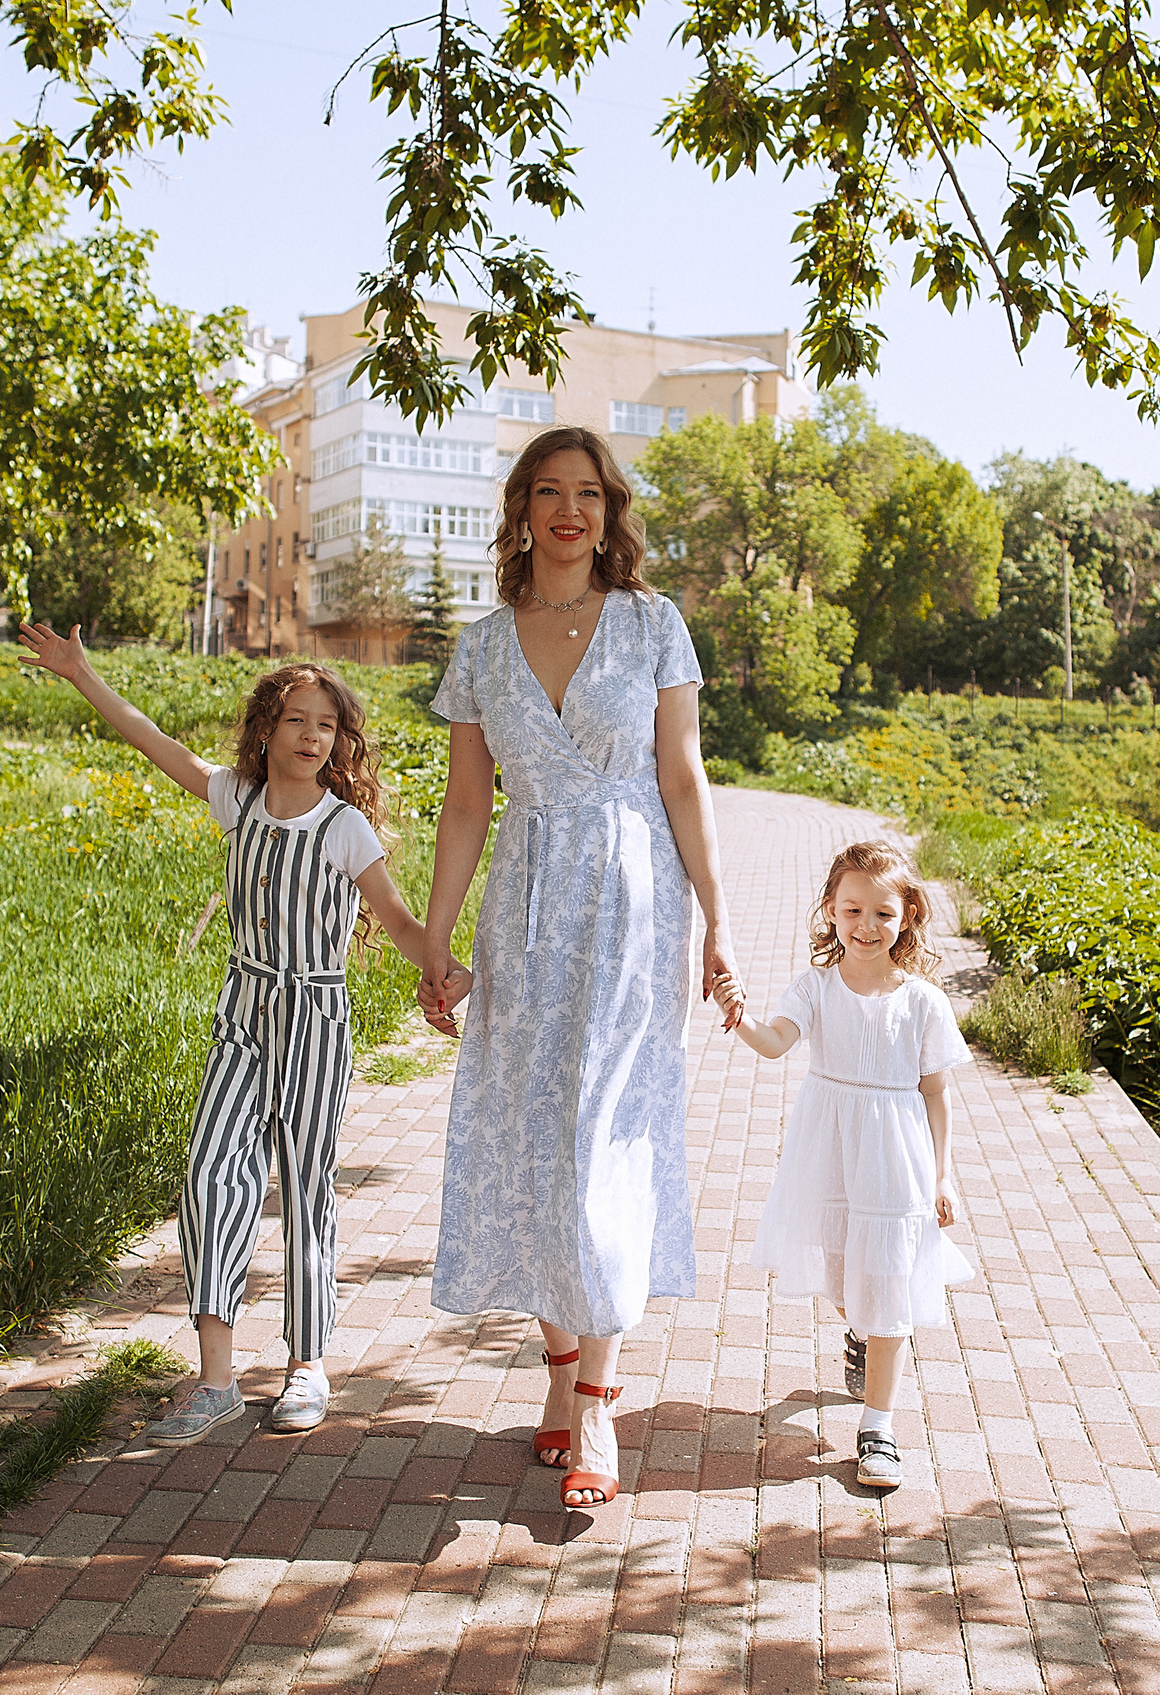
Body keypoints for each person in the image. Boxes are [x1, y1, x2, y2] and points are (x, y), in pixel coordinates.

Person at [415, 427, 742, 1509]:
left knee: (602, 1135)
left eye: (589, 493)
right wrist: (434, 940)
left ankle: (596, 1402)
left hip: (632, 904)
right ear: (519, 509)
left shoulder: (652, 624)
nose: (570, 511)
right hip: (525, 903)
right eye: (549, 492)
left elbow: (683, 778)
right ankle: (561, 1375)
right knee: (536, 1141)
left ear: (611, 510)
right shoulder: (479, 645)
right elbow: (468, 808)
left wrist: (718, 920)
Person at [17, 627, 434, 1442]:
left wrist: (451, 968)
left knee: (306, 1188)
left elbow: (403, 923)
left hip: (315, 1017)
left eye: (328, 726)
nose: (313, 737)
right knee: (211, 1173)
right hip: (243, 1010)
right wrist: (83, 675)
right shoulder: (234, 798)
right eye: (297, 721)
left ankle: (306, 1363)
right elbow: (153, 741)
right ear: (266, 731)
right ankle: (214, 1381)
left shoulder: (345, 828)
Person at [721, 839, 973, 1492]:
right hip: (830, 1148)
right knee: (844, 1277)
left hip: (896, 1160)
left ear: (907, 916)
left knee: (888, 1287)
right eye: (852, 909)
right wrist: (742, 1016)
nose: (866, 926)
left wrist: (943, 1174)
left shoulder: (921, 1001)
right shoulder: (815, 986)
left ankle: (878, 1426)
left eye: (883, 914)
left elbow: (937, 1091)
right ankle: (860, 1330)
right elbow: (777, 1043)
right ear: (830, 911)